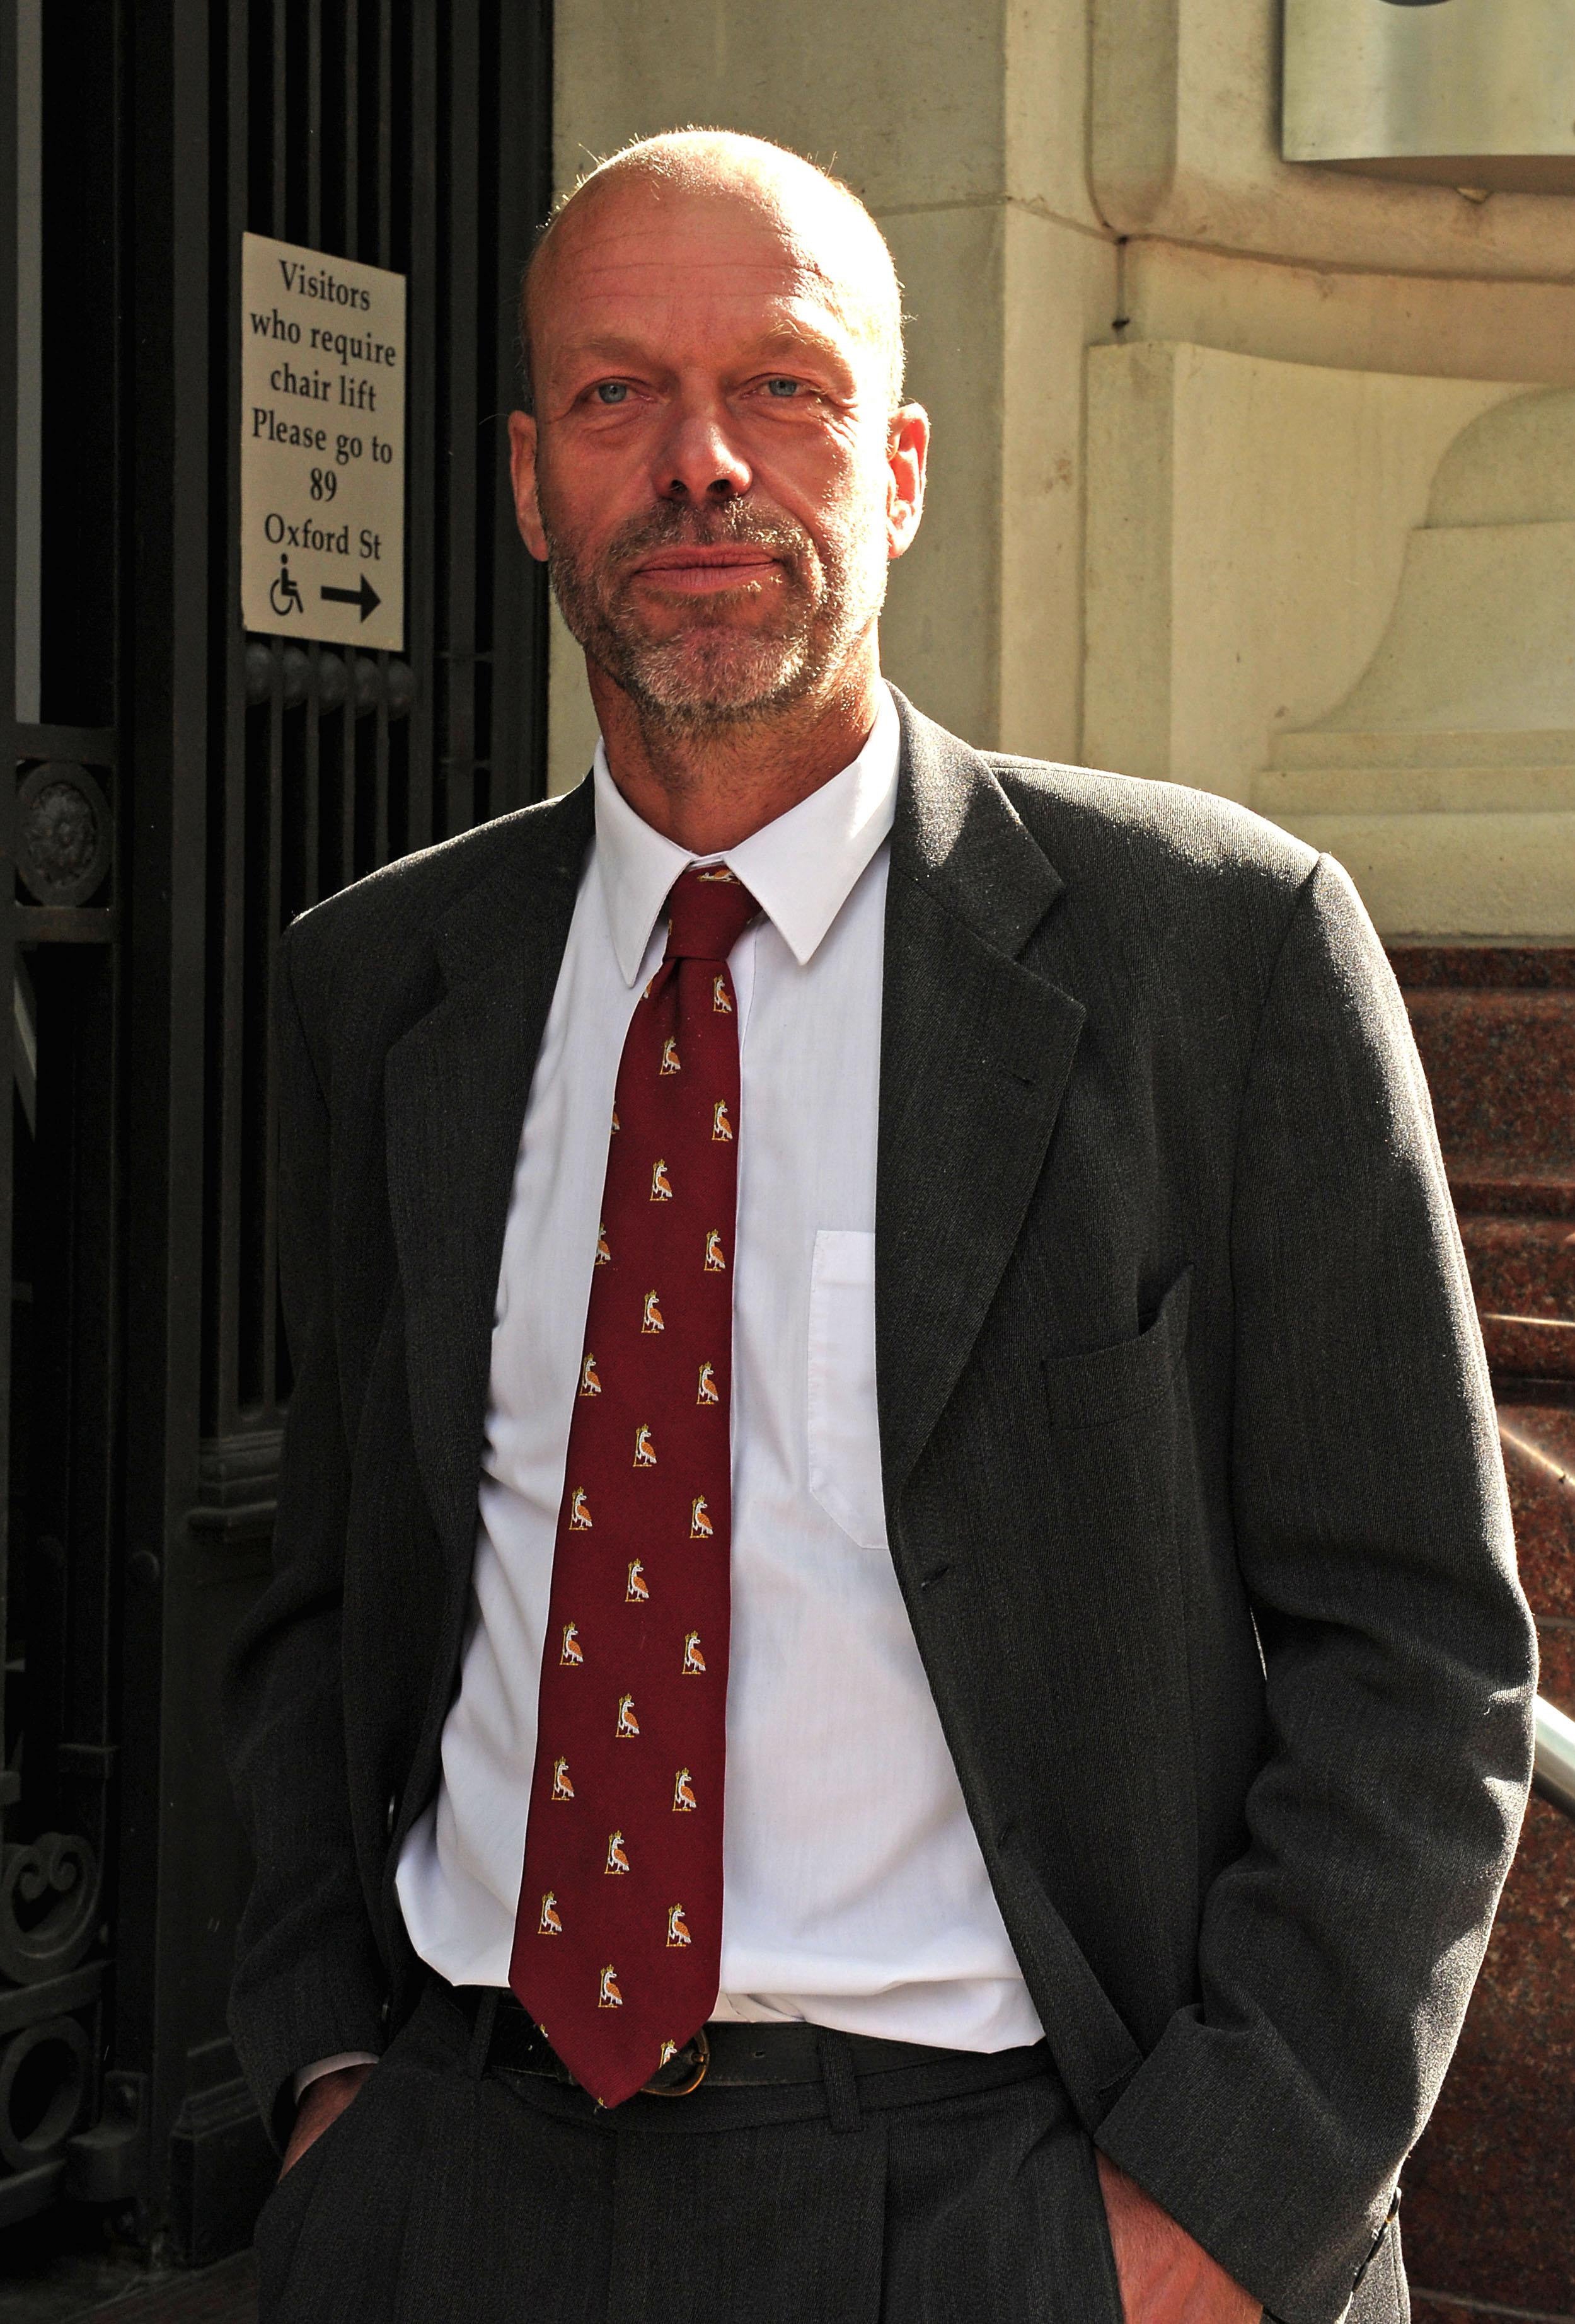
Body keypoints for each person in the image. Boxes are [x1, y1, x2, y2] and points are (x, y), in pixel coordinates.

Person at [224, 129, 1536, 2324]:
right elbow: (330, 1594)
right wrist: (331, 2085)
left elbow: (1415, 1653)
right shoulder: (380, 988)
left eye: (789, 389)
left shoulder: (1213, 956)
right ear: (531, 482)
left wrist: (1214, 2220)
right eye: (617, 395)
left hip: (1006, 2196)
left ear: (902, 466)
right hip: (456, 2180)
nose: (704, 463)